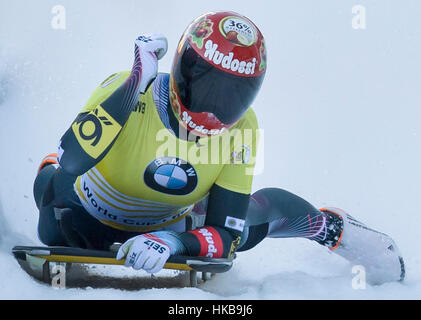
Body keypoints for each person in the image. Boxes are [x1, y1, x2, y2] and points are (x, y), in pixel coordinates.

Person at [33, 11, 404, 284]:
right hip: (85, 207)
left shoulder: (244, 127)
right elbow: (72, 160)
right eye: (205, 83)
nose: (211, 108)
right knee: (52, 217)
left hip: (173, 221)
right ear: (181, 67)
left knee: (246, 225)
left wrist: (174, 242)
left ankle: (328, 227)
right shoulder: (128, 86)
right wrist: (135, 84)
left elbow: (225, 237)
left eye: (233, 94)